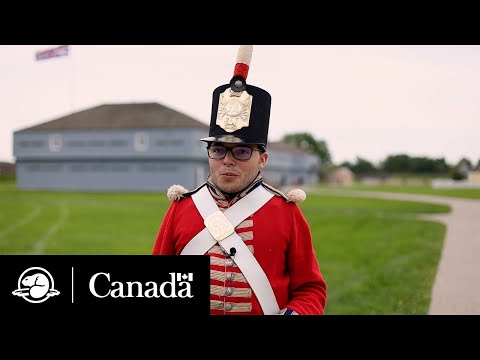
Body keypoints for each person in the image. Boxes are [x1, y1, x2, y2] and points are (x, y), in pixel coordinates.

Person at [152, 45, 327, 315]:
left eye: (242, 151)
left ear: (263, 159)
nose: (228, 160)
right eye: (218, 150)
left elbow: (310, 289)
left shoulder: (286, 212)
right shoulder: (181, 208)